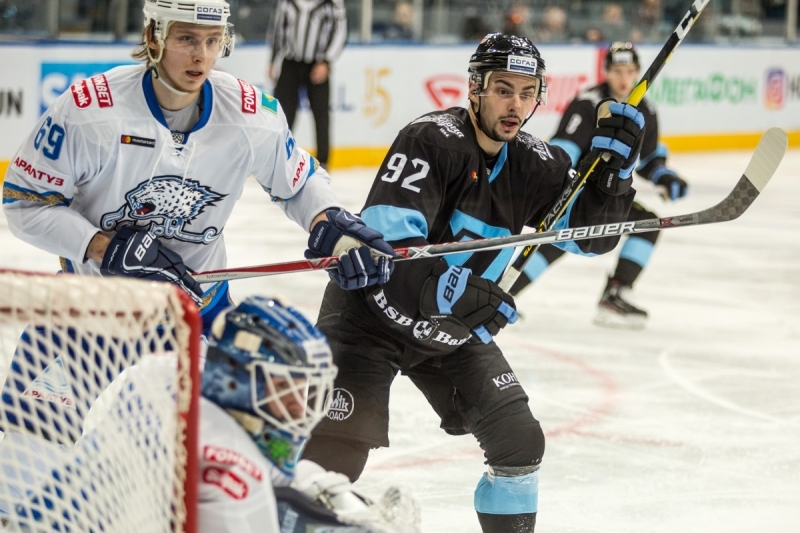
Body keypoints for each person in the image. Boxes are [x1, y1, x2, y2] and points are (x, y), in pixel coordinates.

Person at [300, 33, 645, 532]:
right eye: (503, 90)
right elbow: (390, 256)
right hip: (369, 320)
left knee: (519, 442)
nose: (516, 105)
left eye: (527, 93)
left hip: (449, 332)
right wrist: (455, 290)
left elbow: (593, 238)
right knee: (334, 457)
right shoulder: (430, 140)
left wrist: (615, 175)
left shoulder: (536, 162)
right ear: (475, 88)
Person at [1, 0, 394, 337]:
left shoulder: (250, 115)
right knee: (31, 410)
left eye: (212, 40)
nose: (201, 56)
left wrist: (327, 222)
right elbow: (24, 202)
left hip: (197, 311)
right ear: (153, 37)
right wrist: (101, 248)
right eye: (187, 38)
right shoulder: (89, 110)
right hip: (87, 310)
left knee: (237, 403)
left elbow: (299, 182)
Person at [3, 297, 420, 532]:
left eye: (304, 390)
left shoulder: (169, 375)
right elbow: (246, 482)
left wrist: (328, 495)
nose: (300, 407)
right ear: (241, 380)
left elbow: (274, 473)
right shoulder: (227, 469)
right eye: (285, 389)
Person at [509, 42, 689, 329]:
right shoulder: (588, 103)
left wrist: (664, 176)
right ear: (606, 72)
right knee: (557, 239)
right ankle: (505, 293)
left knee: (645, 225)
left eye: (629, 71)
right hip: (574, 189)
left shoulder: (646, 109)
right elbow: (563, 149)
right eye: (617, 71)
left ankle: (615, 295)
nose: (623, 78)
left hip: (607, 192)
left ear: (637, 73)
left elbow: (648, 159)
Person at [269, 0, 347, 168]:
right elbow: (278, 28)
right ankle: (278, 158)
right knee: (283, 114)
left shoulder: (332, 3)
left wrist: (326, 61)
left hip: (318, 64)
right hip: (290, 63)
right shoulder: (286, 2)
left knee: (321, 115)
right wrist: (272, 59)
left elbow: (340, 33)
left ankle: (323, 162)